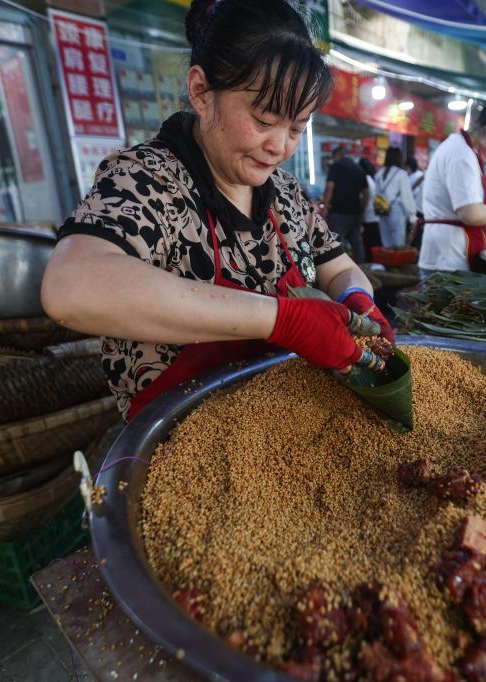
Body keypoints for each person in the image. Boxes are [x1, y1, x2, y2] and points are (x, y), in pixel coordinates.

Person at [40, 0, 392, 421]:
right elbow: (70, 289)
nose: (280, 146)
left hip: (294, 423)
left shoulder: (283, 191)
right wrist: (281, 319)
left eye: (296, 127)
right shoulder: (147, 180)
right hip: (187, 438)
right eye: (264, 120)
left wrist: (356, 298)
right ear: (201, 91)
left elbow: (337, 266)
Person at [418, 86, 486, 276]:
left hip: (449, 257)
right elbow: (470, 213)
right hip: (446, 261)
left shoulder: (465, 150)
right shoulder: (461, 154)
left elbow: (466, 200)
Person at [321, 146, 368, 261]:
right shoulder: (358, 168)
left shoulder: (336, 166)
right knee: (356, 241)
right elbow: (366, 193)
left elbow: (329, 187)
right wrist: (362, 210)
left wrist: (325, 207)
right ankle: (362, 269)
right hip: (355, 212)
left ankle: (335, 269)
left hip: (340, 212)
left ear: (336, 156)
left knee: (334, 243)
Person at [373, 147, 417, 248]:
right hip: (396, 210)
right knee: (398, 245)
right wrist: (412, 216)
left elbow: (376, 195)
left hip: (382, 210)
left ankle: (387, 263)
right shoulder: (401, 174)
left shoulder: (379, 173)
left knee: (386, 243)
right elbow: (407, 197)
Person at [358, 157, 380, 260]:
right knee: (374, 240)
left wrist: (362, 212)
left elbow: (365, 197)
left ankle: (372, 260)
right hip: (374, 215)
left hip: (369, 215)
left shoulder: (365, 179)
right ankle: (375, 260)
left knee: (369, 240)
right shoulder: (371, 178)